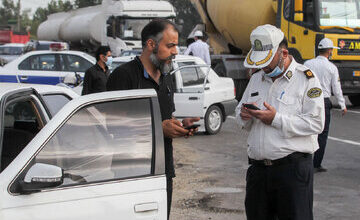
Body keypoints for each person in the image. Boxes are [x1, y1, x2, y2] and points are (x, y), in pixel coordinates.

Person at [106, 19, 200, 219]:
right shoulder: (124, 76)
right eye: (170, 45)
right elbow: (112, 126)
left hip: (163, 171)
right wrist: (158, 129)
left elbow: (167, 118)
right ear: (151, 44)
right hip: (131, 173)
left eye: (176, 45)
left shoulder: (167, 78)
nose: (176, 51)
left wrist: (180, 125)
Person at [235, 24, 325, 220]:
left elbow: (316, 123)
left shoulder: (306, 79)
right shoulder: (257, 78)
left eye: (267, 63)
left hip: (292, 172)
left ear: (283, 53)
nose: (263, 68)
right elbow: (239, 109)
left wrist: (276, 119)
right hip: (258, 173)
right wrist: (243, 115)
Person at [304, 38, 347, 173]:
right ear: (329, 51)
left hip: (309, 100)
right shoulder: (332, 67)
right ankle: (316, 164)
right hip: (324, 101)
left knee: (306, 130)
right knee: (322, 133)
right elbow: (336, 87)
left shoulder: (307, 63)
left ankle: (304, 160)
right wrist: (342, 104)